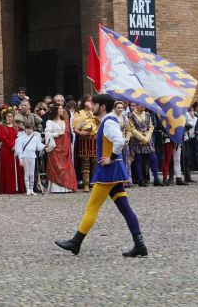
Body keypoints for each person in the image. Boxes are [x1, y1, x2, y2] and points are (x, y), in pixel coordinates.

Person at [56, 94, 148, 258]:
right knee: (125, 209)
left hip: (108, 172)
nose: (92, 107)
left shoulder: (109, 122)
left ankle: (76, 242)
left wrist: (111, 158)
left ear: (103, 107)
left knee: (92, 207)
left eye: (95, 104)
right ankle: (140, 245)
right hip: (113, 172)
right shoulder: (108, 120)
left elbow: (119, 141)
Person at [44, 105, 78, 193]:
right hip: (55, 146)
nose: (62, 110)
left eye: (62, 108)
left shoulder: (65, 122)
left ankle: (67, 186)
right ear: (56, 110)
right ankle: (56, 187)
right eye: (60, 109)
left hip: (65, 147)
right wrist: (57, 134)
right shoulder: (50, 122)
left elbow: (68, 135)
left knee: (66, 165)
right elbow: (47, 133)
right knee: (56, 165)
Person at [127, 104, 161, 186]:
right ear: (137, 106)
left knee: (153, 157)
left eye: (144, 105)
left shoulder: (147, 114)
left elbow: (151, 127)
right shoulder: (131, 115)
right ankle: (140, 180)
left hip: (147, 139)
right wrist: (142, 138)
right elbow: (132, 129)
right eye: (141, 105)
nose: (143, 107)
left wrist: (147, 137)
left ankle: (156, 179)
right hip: (137, 140)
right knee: (138, 158)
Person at [0, 110, 24, 194]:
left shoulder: (16, 127)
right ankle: (8, 187)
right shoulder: (2, 127)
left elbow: (19, 137)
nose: (10, 118)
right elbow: (3, 137)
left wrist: (16, 145)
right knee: (8, 168)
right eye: (8, 116)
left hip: (15, 149)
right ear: (5, 117)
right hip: (6, 150)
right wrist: (11, 145)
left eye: (11, 116)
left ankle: (18, 187)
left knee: (17, 168)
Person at [14, 124, 44, 196]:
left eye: (31, 129)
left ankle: (31, 189)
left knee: (32, 174)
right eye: (28, 129)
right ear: (25, 129)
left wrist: (44, 146)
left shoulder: (35, 138)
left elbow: (39, 146)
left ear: (32, 130)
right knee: (27, 173)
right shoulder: (21, 138)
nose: (29, 130)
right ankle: (27, 189)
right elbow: (19, 149)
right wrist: (20, 159)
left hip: (32, 156)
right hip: (25, 156)